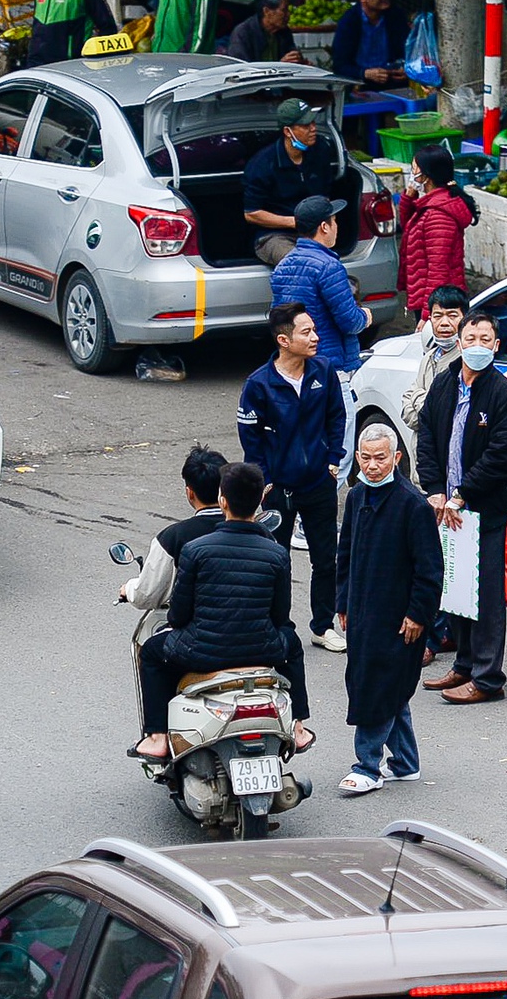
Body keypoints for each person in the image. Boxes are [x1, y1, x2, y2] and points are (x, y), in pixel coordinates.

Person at [133, 461, 313, 758]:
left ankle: (157, 736)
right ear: (259, 503)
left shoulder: (196, 549)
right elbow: (281, 615)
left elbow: (178, 615)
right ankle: (299, 727)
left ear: (222, 501)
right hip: (262, 650)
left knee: (152, 652)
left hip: (201, 652)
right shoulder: (277, 553)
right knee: (291, 642)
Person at [417, 312, 507, 704]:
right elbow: (426, 435)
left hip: (485, 508)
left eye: (485, 339)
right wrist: (435, 490)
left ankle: (487, 677)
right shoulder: (445, 383)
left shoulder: (503, 394)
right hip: (447, 509)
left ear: (496, 346)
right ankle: (463, 665)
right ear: (460, 342)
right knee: (458, 589)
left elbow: (501, 455)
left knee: (487, 595)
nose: (476, 345)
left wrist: (462, 493)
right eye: (471, 338)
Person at [334, 423, 442, 794]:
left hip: (399, 618)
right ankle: (405, 762)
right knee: (384, 686)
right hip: (363, 612)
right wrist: (342, 602)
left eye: (380, 458)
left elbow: (430, 570)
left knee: (378, 688)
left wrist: (417, 614)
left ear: (396, 458)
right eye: (365, 457)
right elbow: (344, 553)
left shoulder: (413, 505)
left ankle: (367, 765)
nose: (372, 465)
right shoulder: (356, 497)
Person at [237, 303, 347, 651]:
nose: (315, 337)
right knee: (276, 559)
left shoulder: (323, 372)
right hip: (277, 489)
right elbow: (249, 437)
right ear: (283, 339)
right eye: (306, 332)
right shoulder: (259, 384)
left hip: (319, 483)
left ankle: (323, 625)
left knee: (326, 559)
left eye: (314, 330)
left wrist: (333, 461)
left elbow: (337, 417)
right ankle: (278, 625)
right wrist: (264, 478)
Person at [121, 443, 227, 646]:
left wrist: (130, 588)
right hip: (257, 638)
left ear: (190, 493)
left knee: (151, 653)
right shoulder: (260, 535)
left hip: (199, 638)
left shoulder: (174, 538)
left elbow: (149, 593)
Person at [270, 195, 373, 374]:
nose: (336, 227)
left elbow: (278, 319)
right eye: (334, 221)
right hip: (331, 366)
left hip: (297, 365)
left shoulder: (282, 266)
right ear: (324, 227)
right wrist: (364, 317)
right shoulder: (329, 266)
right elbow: (350, 322)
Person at [243, 101, 340, 266]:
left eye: (314, 122)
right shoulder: (262, 164)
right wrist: (295, 221)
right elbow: (251, 213)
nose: (313, 128)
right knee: (303, 265)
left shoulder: (321, 150)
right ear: (288, 131)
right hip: (274, 236)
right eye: (305, 125)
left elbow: (325, 196)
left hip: (314, 232)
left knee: (328, 267)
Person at [397, 145, 475, 319]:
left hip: (440, 305)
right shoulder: (429, 205)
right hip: (428, 298)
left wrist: (429, 316)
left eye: (414, 170)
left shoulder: (439, 215)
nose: (412, 174)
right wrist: (409, 196)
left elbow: (437, 270)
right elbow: (409, 226)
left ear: (426, 176)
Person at [400, 285, 468, 431]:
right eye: (438, 316)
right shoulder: (429, 356)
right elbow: (407, 411)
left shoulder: (466, 361)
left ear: (465, 319)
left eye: (452, 316)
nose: (444, 323)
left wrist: (418, 398)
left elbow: (445, 416)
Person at [330, 0, 409, 89]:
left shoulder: (396, 16)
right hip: (360, 84)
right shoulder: (349, 21)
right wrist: (365, 73)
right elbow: (340, 65)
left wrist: (406, 68)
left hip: (392, 80)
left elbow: (407, 50)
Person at [227, 0, 302, 63]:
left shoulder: (284, 31)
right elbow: (242, 69)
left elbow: (291, 55)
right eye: (284, 10)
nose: (288, 14)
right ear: (266, 11)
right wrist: (280, 65)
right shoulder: (243, 33)